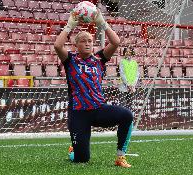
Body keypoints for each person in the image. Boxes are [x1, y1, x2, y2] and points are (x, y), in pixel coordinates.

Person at [54, 9, 134, 168]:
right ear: (76, 45)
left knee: (127, 115)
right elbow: (57, 45)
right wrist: (70, 24)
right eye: (83, 41)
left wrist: (101, 23)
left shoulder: (99, 59)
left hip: (98, 109)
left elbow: (116, 42)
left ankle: (120, 156)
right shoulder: (70, 60)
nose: (87, 43)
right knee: (81, 159)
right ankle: (74, 150)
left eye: (90, 40)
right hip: (78, 114)